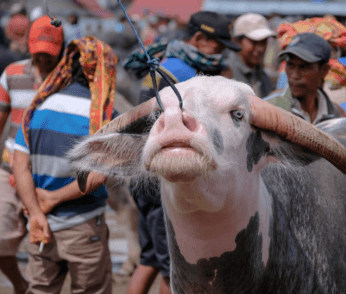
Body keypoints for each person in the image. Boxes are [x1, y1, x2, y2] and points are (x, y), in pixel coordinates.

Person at [123, 11, 240, 294]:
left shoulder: (164, 64)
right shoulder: (187, 77)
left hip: (145, 166)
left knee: (150, 257)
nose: (222, 54)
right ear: (199, 38)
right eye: (219, 46)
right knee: (173, 267)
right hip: (167, 173)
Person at [13, 36, 118, 294]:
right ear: (103, 71)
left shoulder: (37, 108)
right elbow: (96, 178)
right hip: (83, 227)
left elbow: (19, 166)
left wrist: (37, 212)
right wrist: (54, 198)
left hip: (42, 227)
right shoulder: (104, 118)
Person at [0, 15, 64, 294]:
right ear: (28, 46)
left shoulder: (69, 80)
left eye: (49, 55)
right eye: (38, 54)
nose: (42, 61)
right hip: (10, 172)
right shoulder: (12, 73)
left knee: (45, 247)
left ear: (62, 49)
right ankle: (21, 286)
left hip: (49, 177)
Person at [264, 33, 346, 125]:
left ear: (324, 70)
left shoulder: (336, 115)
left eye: (304, 67)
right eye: (290, 65)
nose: (294, 75)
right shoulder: (268, 109)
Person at [225, 13, 276, 97]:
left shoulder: (261, 75)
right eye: (254, 42)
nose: (261, 48)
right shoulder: (227, 74)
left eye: (264, 42)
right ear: (236, 41)